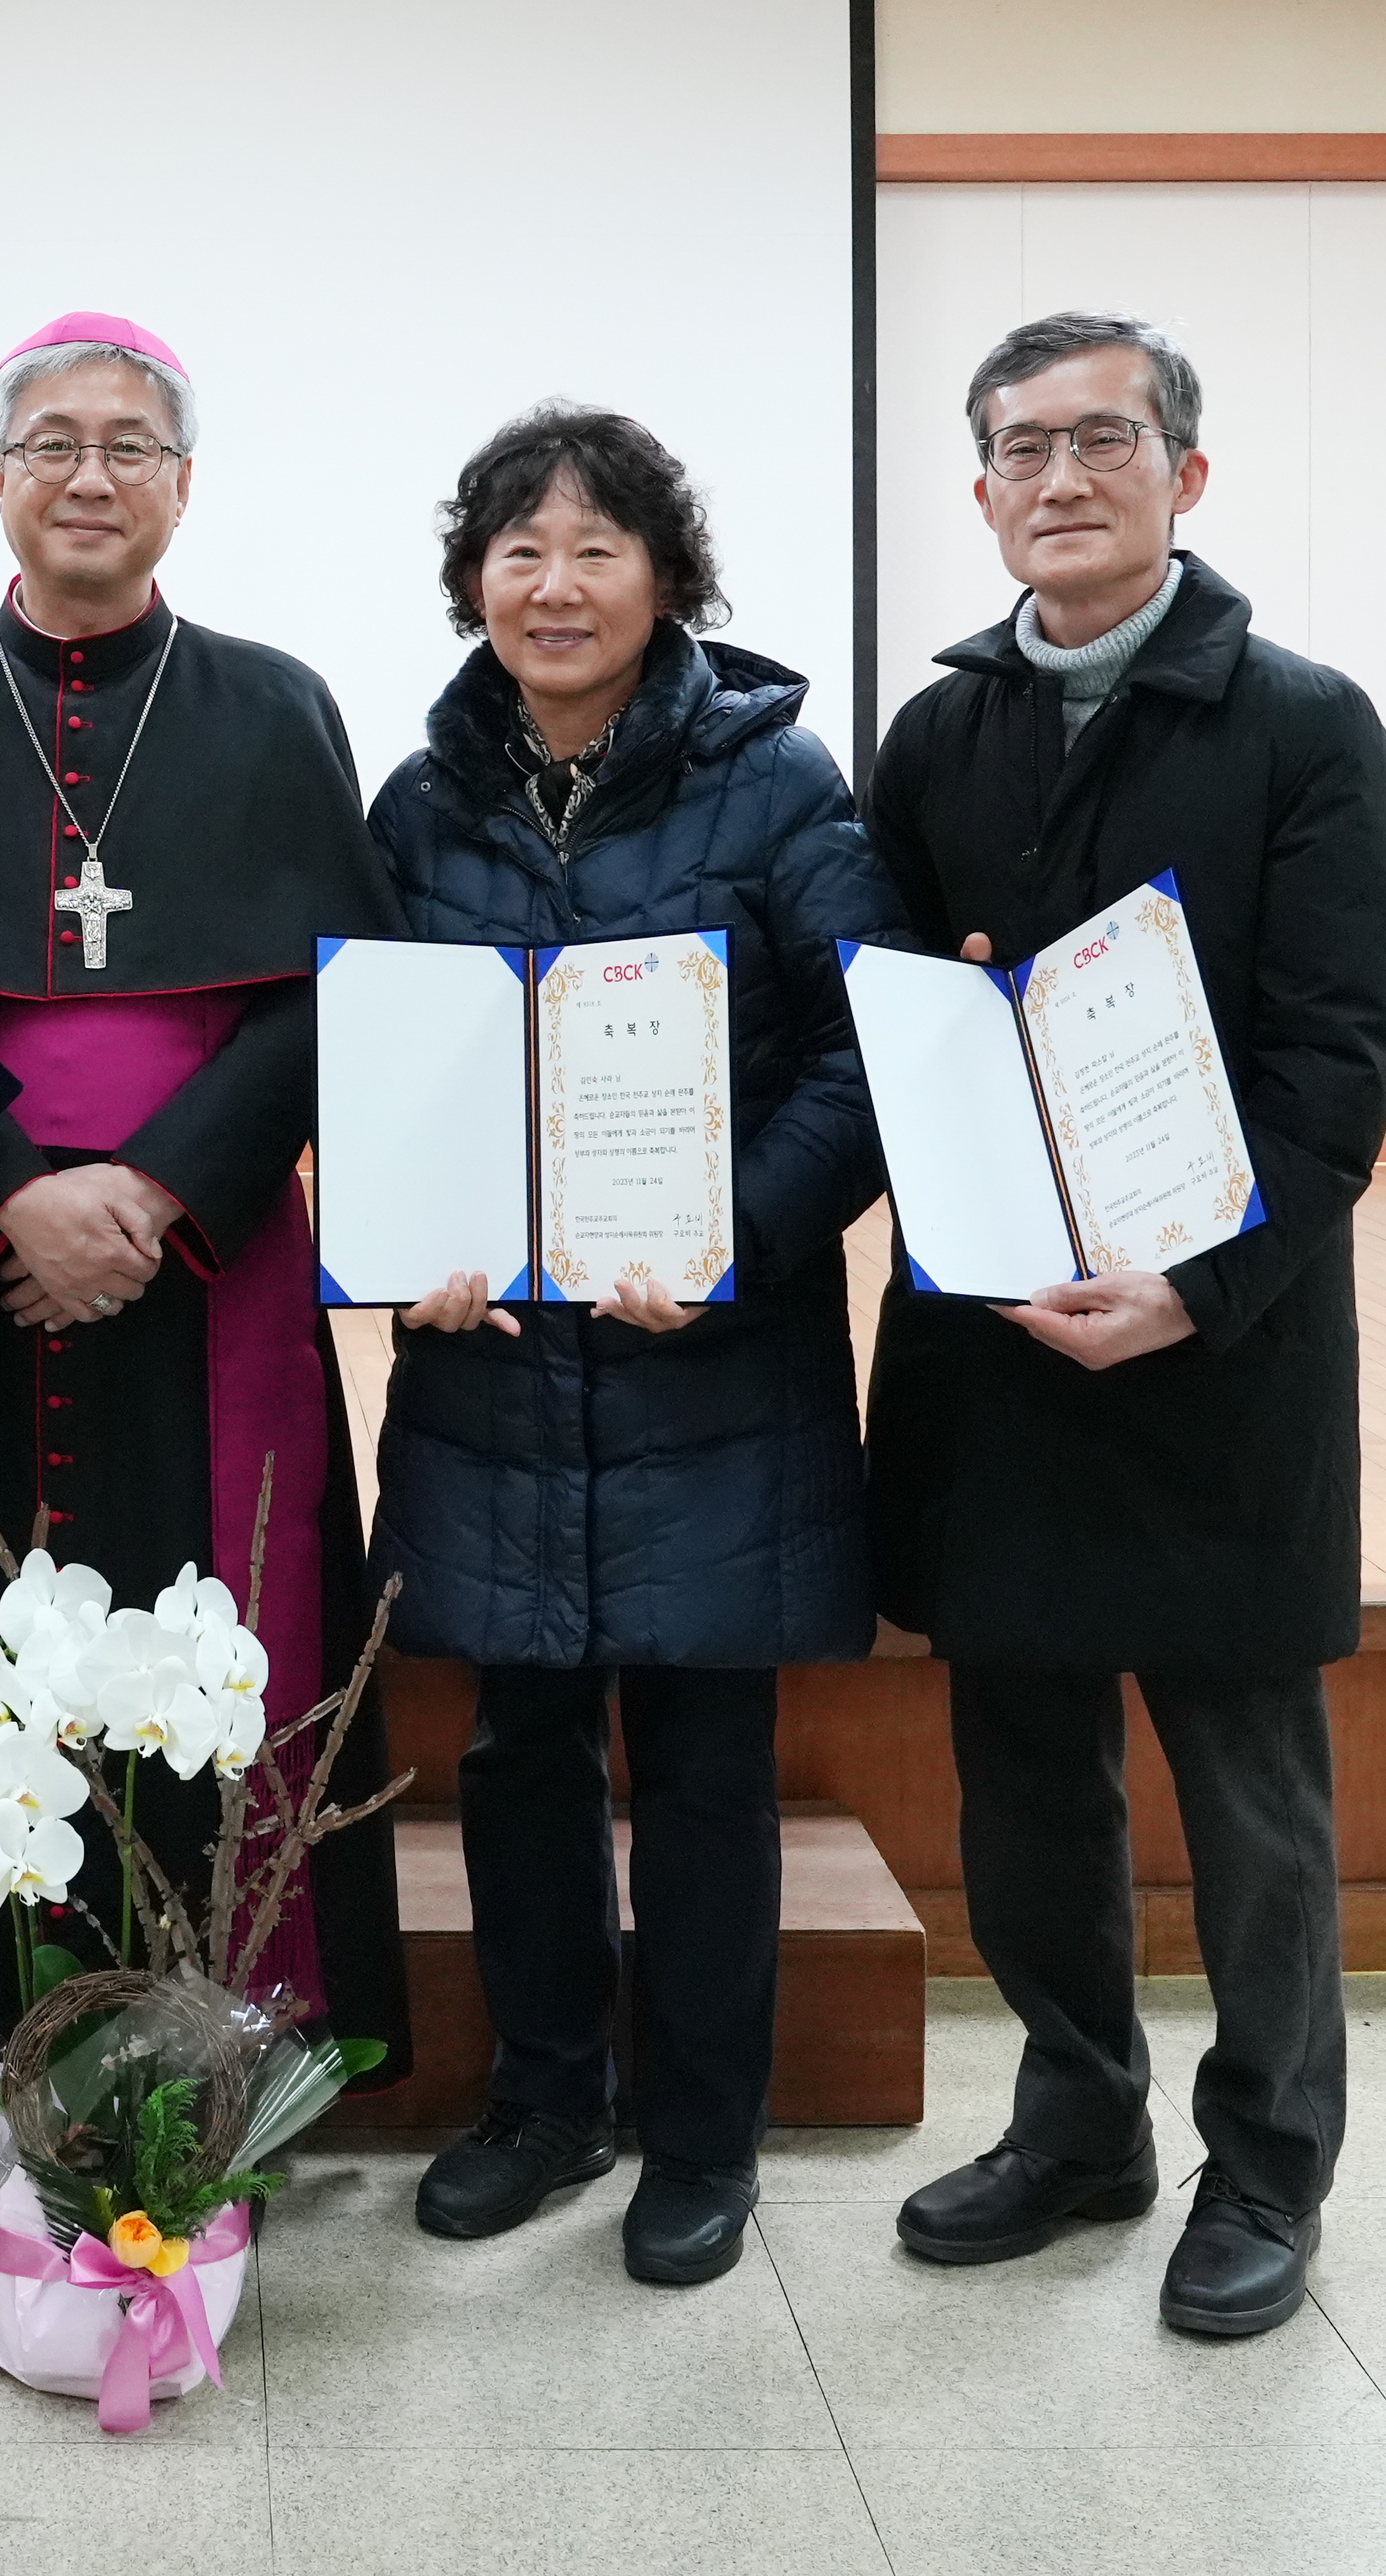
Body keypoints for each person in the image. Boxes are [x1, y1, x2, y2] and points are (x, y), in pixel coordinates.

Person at [864, 312, 1386, 2342]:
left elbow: (1338, 1057)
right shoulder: (936, 738)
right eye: (1022, 448)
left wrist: (1197, 1284)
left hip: (1220, 1352)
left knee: (1250, 1794)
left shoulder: (1305, 727)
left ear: (1187, 474)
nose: (1062, 478)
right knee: (1024, 1771)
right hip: (1002, 1342)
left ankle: (1269, 2164)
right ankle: (1079, 2121)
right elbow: (897, 1023)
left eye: (1104, 440)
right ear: (981, 489)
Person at [0, 314, 412, 2084]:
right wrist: (7, 1195)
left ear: (183, 484)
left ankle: (224, 2065)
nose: (89, 473)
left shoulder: (276, 704)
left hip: (206, 1267)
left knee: (229, 1640)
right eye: (52, 442)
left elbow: (334, 989)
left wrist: (150, 1188)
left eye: (127, 444)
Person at [366, 405, 905, 2289]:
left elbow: (862, 1059)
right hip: (497, 1368)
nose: (555, 582)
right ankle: (541, 2100)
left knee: (699, 1758)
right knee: (516, 1747)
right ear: (474, 583)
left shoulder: (778, 785)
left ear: (668, 577)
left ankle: (699, 2132)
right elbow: (382, 1068)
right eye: (519, 548)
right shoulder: (421, 801)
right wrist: (405, 1243)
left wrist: (730, 1233)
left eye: (596, 545)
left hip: (708, 1363)